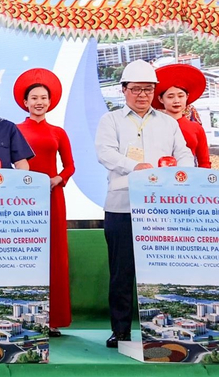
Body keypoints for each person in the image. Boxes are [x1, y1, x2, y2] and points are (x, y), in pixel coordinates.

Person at [94, 59, 193, 348]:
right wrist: (133, 167)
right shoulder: (110, 120)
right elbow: (105, 153)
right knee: (122, 272)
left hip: (161, 208)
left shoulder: (167, 122)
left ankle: (164, 329)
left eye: (148, 89)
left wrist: (180, 170)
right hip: (121, 206)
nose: (142, 95)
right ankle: (121, 331)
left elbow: (184, 153)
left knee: (163, 271)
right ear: (123, 90)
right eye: (136, 89)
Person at [13, 68, 75, 337]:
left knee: (54, 255)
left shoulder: (58, 132)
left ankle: (53, 319)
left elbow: (70, 166)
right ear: (25, 102)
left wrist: (57, 179)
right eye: (33, 98)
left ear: (50, 102)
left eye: (43, 98)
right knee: (27, 257)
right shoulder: (14, 130)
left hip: (52, 196)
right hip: (24, 199)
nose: (38, 102)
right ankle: (27, 318)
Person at [152, 63, 210, 168]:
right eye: (170, 97)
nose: (176, 101)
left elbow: (204, 162)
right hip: (161, 179)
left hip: (190, 179)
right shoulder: (153, 127)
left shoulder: (196, 128)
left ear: (187, 97)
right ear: (161, 99)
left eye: (180, 96)